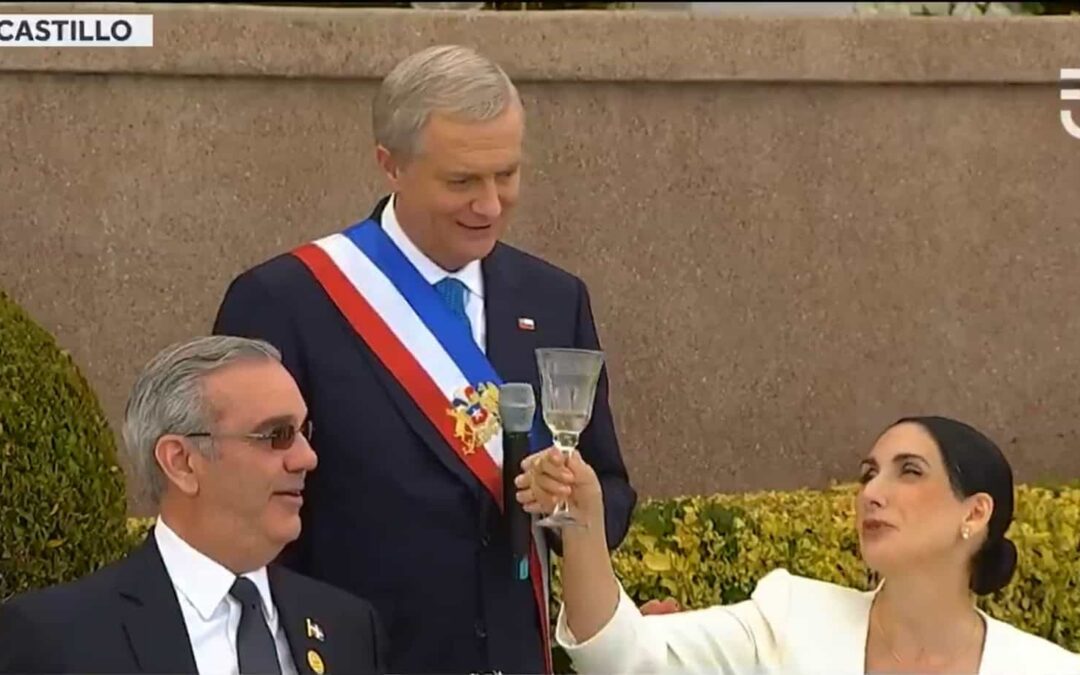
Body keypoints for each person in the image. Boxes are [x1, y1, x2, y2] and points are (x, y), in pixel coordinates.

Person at [211, 44, 637, 674]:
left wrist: (572, 506)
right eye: (462, 180)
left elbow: (612, 492)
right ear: (392, 166)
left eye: (507, 175)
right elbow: (237, 511)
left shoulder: (554, 298)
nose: (490, 205)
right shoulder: (286, 301)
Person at [516, 415, 1080, 674]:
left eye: (909, 472)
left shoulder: (1047, 670)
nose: (873, 493)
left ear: (975, 513)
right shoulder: (790, 618)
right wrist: (583, 520)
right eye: (868, 473)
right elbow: (621, 655)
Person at [0, 336, 387, 675]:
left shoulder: (347, 627)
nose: (307, 458)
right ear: (182, 462)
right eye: (277, 435)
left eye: (304, 432)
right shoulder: (60, 638)